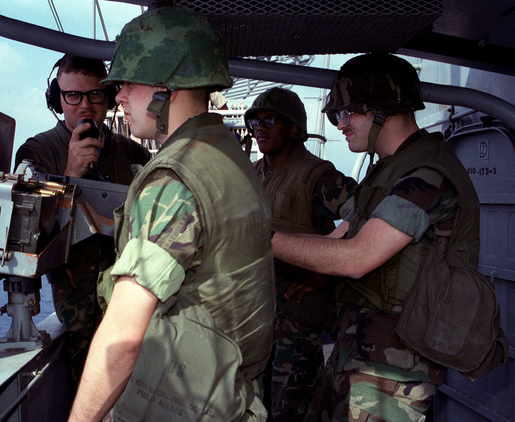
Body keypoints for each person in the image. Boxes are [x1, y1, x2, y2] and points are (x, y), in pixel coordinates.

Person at [69, 7, 275, 421]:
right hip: (227, 391)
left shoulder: (174, 179)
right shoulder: (225, 153)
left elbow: (123, 336)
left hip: (187, 401)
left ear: (165, 89)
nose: (119, 97)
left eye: (128, 83)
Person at [272, 53, 480, 421]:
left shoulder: (426, 173)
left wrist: (265, 240)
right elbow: (344, 233)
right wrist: (317, 272)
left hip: (395, 367)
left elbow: (357, 257)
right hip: (363, 347)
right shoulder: (387, 170)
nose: (340, 124)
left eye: (347, 113)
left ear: (381, 110)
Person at [14, 55, 150, 387]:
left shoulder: (134, 155)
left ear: (109, 96)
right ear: (56, 99)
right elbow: (27, 236)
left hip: (132, 292)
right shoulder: (38, 152)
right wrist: (70, 176)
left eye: (95, 95)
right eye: (72, 95)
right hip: (76, 299)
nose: (85, 105)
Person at [245, 87, 356, 421]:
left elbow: (367, 212)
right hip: (255, 317)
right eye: (254, 122)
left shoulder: (318, 175)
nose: (259, 128)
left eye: (269, 120)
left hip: (297, 323)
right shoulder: (250, 174)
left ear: (294, 129)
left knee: (289, 412)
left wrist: (326, 270)